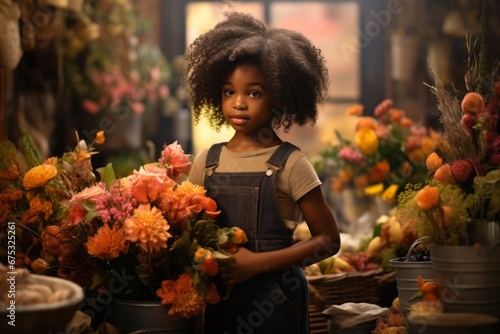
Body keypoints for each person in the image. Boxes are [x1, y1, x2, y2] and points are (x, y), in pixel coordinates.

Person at [185, 12, 341, 334]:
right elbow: (186, 231)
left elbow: (328, 240)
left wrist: (255, 264)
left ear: (280, 97)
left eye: (253, 93)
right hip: (221, 300)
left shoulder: (292, 164)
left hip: (277, 301)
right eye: (229, 92)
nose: (239, 103)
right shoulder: (206, 162)